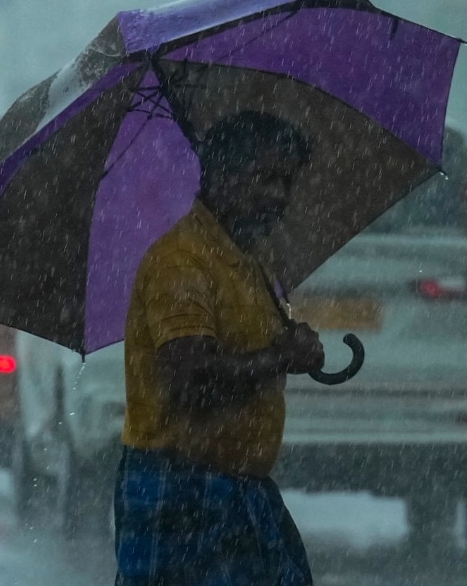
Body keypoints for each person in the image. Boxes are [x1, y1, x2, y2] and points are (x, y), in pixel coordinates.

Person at [115, 110, 325, 586]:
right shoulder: (181, 262)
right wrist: (280, 357)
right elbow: (191, 380)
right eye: (265, 179)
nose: (279, 196)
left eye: (286, 182)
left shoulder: (246, 257)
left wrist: (292, 345)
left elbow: (252, 349)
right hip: (181, 489)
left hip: (241, 487)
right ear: (224, 175)